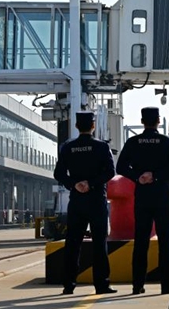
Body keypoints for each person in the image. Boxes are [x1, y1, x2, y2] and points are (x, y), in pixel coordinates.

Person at [116, 107, 169, 296]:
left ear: (142, 121)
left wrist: (138, 176)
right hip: (162, 195)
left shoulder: (133, 142)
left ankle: (137, 286)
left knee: (141, 242)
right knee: (164, 242)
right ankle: (166, 286)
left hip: (142, 196)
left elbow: (120, 167)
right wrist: (156, 176)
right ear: (158, 121)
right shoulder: (166, 141)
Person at [53, 111, 117, 296]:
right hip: (96, 200)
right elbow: (110, 172)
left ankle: (69, 285)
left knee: (73, 243)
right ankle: (102, 285)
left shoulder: (68, 147)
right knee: (99, 244)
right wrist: (92, 183)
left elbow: (59, 173)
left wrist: (74, 184)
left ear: (76, 126)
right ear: (93, 126)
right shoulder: (102, 147)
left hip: (77, 201)